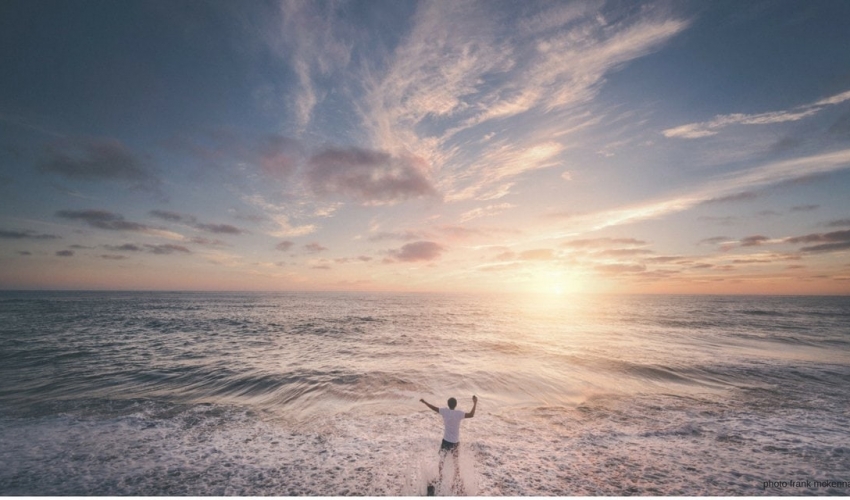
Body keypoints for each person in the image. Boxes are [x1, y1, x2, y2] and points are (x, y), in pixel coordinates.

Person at [419, 395, 477, 494]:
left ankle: (440, 477)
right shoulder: (459, 413)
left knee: (441, 460)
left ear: (448, 404)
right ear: (455, 405)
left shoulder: (445, 412)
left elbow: (433, 408)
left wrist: (425, 402)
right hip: (455, 442)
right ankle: (456, 480)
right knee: (456, 462)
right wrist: (475, 403)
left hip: (446, 441)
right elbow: (471, 415)